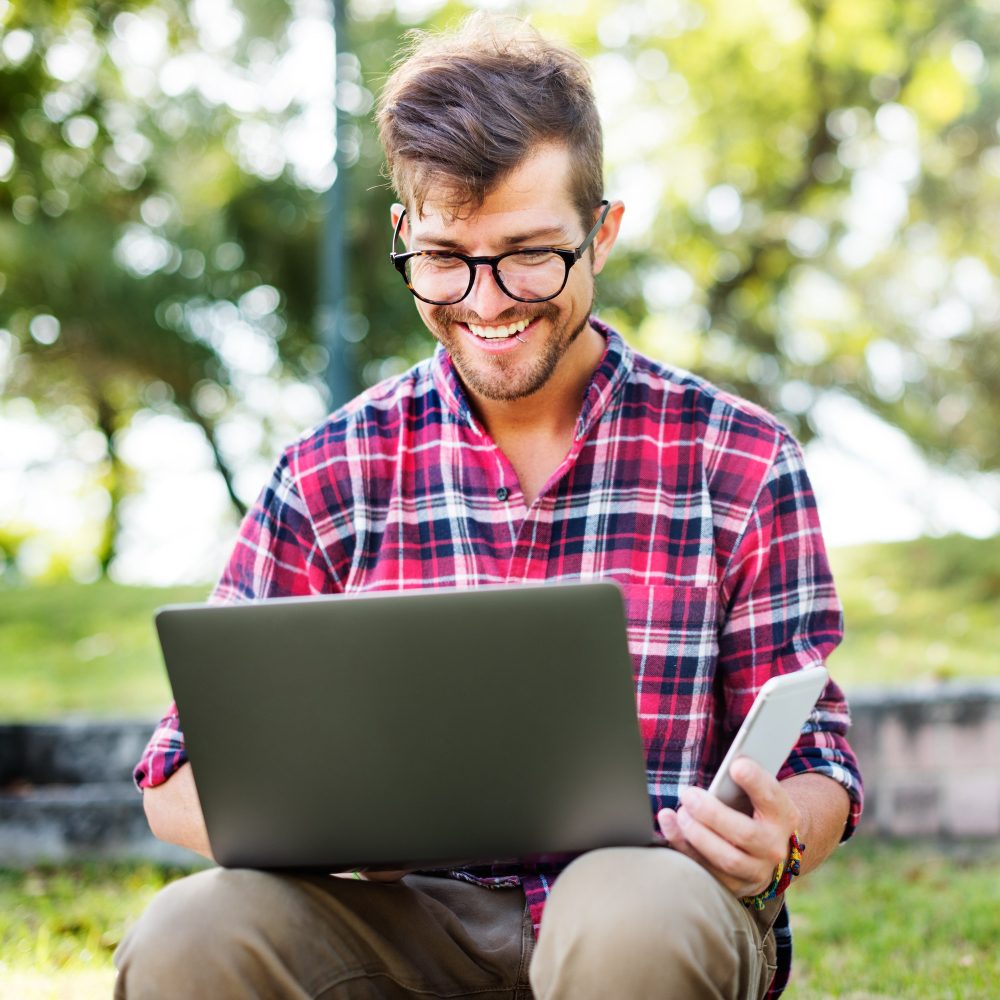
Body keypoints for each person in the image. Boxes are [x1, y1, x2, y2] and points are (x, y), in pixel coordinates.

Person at [115, 14, 862, 1000]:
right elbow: (176, 780)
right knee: (189, 930)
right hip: (404, 925)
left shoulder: (740, 457)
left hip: (646, 910)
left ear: (602, 230)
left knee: (622, 911)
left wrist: (780, 836)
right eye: (446, 257)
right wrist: (346, 819)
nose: (487, 301)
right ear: (403, 237)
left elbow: (816, 764)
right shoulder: (330, 470)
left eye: (527, 253)